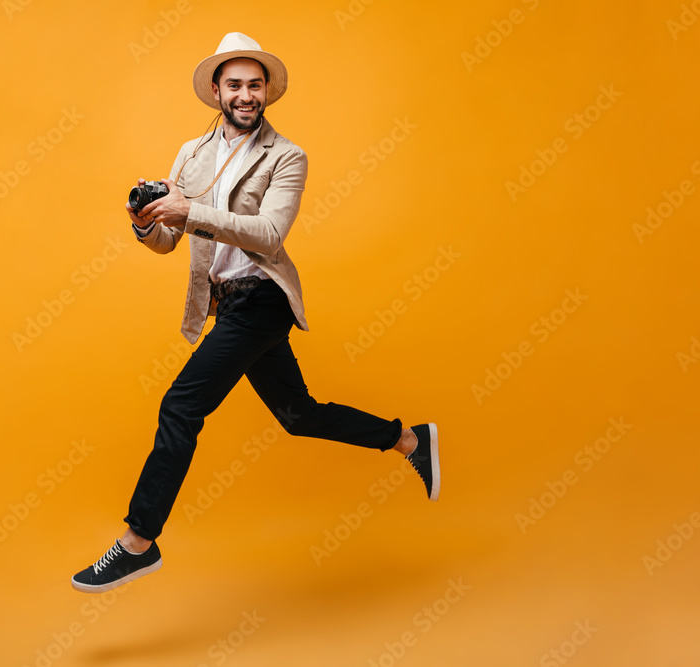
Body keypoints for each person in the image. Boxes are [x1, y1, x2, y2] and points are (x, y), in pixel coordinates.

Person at [71, 32, 440, 593]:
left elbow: (268, 235)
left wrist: (189, 208)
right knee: (297, 414)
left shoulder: (287, 156)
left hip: (263, 298)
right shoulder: (191, 155)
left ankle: (138, 543)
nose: (246, 95)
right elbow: (170, 243)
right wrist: (146, 222)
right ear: (216, 91)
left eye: (255, 84)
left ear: (266, 91)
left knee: (181, 405)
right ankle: (409, 440)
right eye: (235, 85)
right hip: (225, 303)